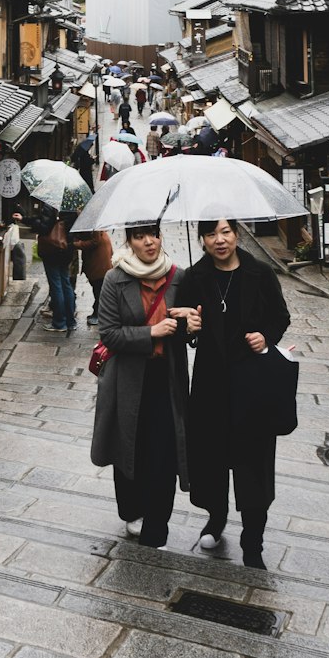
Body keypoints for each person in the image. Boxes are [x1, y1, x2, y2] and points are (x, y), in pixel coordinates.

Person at [175, 218, 291, 569]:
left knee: (253, 462)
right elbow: (182, 324)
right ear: (202, 239)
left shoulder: (260, 273)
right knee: (211, 459)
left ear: (237, 235)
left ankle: (253, 539)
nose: (219, 240)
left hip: (252, 384)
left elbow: (280, 317)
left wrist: (265, 337)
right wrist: (188, 327)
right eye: (211, 234)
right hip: (211, 385)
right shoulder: (194, 277)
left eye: (225, 232)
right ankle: (216, 518)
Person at [91, 224, 199, 547]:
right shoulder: (115, 279)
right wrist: (151, 332)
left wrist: (193, 326)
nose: (148, 241)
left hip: (166, 378)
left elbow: (185, 332)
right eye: (139, 236)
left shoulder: (179, 277)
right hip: (127, 378)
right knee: (130, 449)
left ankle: (157, 525)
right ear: (129, 241)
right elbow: (108, 333)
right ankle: (132, 508)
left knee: (164, 453)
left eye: (152, 233)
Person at [15, 204, 77, 336]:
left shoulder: (51, 205)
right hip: (67, 249)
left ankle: (59, 322)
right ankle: (70, 322)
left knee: (56, 286)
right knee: (66, 284)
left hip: (53, 250)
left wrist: (26, 221)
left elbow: (43, 227)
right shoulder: (70, 205)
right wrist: (27, 218)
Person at [74, 226, 113, 325]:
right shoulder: (99, 226)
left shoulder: (95, 225)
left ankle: (98, 315)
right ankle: (99, 313)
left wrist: (77, 244)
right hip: (101, 261)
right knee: (99, 289)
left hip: (99, 263)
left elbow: (95, 241)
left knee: (99, 290)